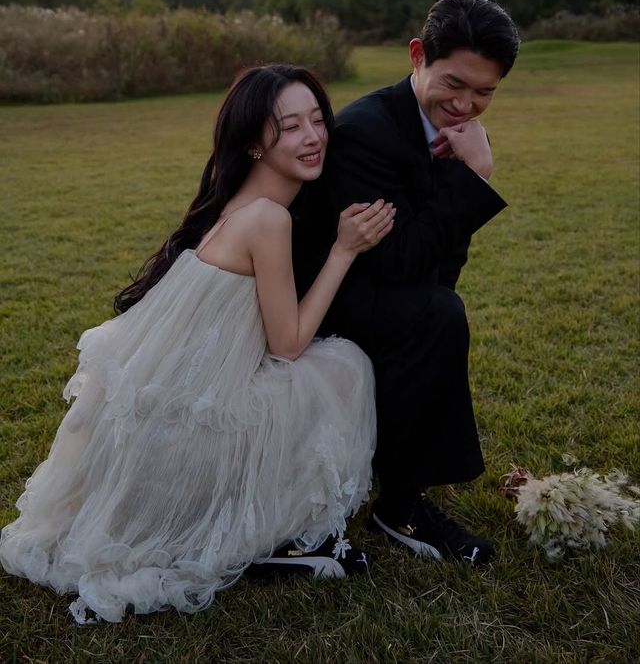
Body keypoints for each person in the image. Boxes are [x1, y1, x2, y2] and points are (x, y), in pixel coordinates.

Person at [0, 65, 395, 624]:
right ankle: (281, 536)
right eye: (290, 127)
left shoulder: (230, 204)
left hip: (160, 441)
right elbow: (286, 345)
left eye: (317, 120)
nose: (313, 137)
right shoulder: (268, 219)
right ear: (254, 143)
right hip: (197, 445)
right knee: (344, 366)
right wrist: (344, 250)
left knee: (321, 368)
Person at [292, 0, 520, 565]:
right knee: (437, 314)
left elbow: (443, 260)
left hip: (381, 280)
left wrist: (464, 175)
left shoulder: (455, 132)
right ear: (418, 55)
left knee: (439, 307)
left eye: (485, 92)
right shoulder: (365, 132)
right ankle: (401, 503)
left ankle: (404, 483)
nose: (465, 104)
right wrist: (475, 176)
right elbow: (396, 261)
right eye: (454, 83)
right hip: (318, 295)